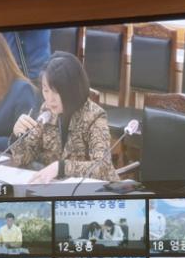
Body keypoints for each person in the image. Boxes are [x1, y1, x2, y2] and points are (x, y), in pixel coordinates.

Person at [9, 51, 119, 184]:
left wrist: (61, 167)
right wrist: (18, 136)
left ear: (72, 89)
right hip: (55, 188)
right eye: (46, 90)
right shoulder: (47, 110)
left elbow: (102, 167)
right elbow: (24, 158)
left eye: (56, 92)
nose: (50, 99)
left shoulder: (94, 116)